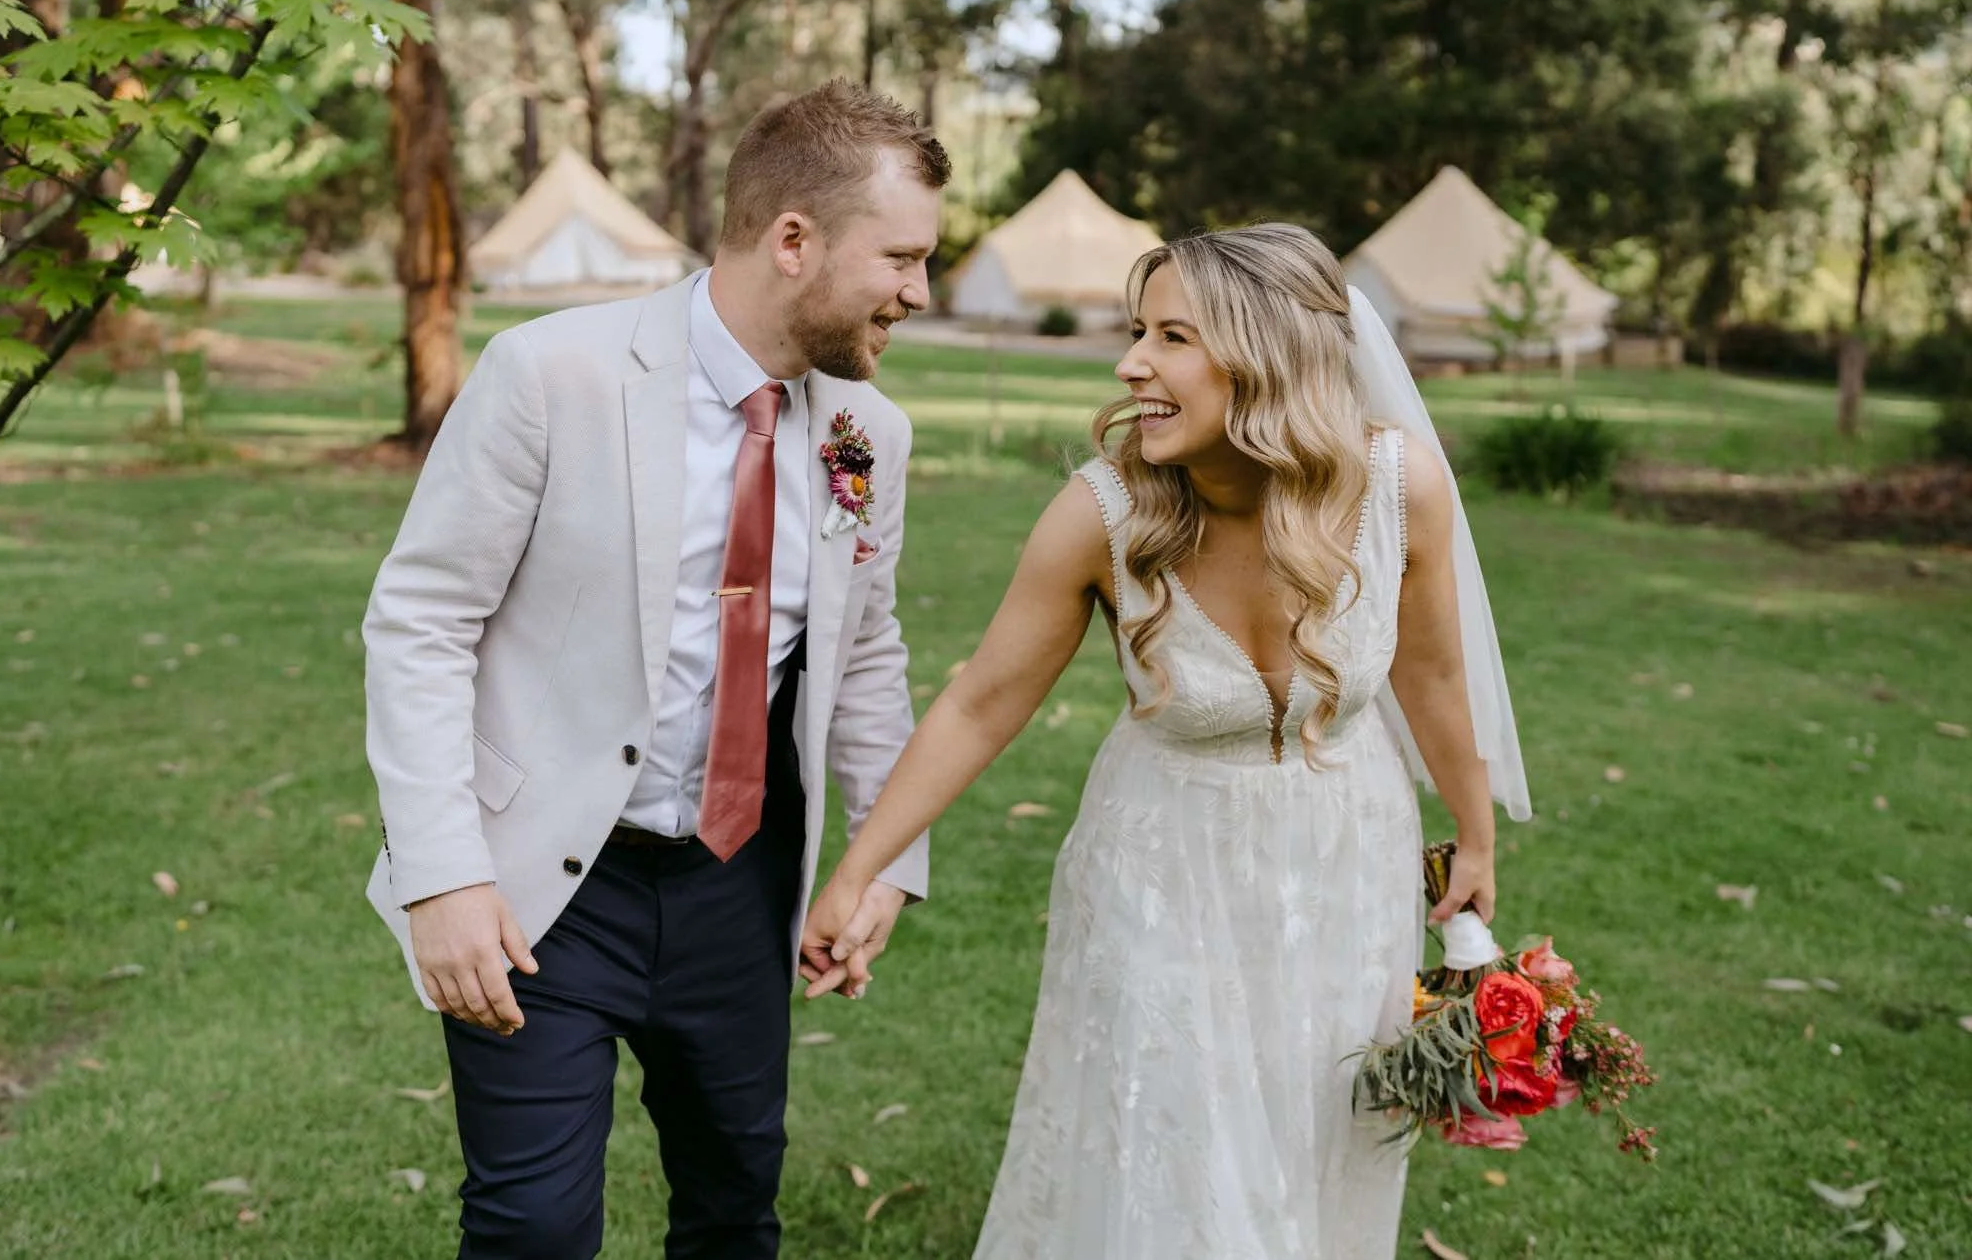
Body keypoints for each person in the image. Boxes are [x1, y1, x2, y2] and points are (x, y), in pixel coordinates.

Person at [800, 223, 1532, 1258]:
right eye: (1136, 331)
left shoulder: (1397, 488)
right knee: (1173, 1144)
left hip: (1345, 856)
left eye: (1170, 337)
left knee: (1316, 1137)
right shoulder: (1099, 516)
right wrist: (861, 867)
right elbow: (980, 703)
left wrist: (1474, 835)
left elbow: (1433, 673)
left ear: (1267, 355)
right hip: (1160, 865)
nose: (1129, 363)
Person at [361, 78, 949, 1259]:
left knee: (734, 1208)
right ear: (794, 239)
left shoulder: (863, 435)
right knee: (530, 1230)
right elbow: (420, 620)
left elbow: (865, 650)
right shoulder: (549, 373)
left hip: (742, 889)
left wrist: (882, 859)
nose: (917, 293)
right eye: (900, 256)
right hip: (543, 893)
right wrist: (440, 879)